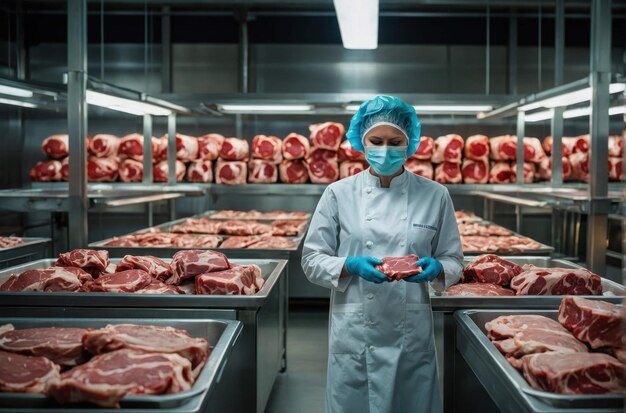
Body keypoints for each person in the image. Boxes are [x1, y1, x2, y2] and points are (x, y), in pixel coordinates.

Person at [301, 95, 463, 413]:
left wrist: (439, 269)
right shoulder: (337, 194)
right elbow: (311, 260)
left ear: (409, 142)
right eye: (376, 140)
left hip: (411, 330)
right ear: (362, 142)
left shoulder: (435, 195)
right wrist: (349, 264)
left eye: (395, 141)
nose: (385, 149)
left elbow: (453, 258)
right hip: (357, 330)